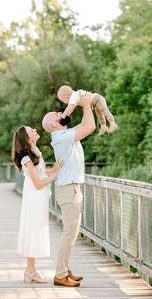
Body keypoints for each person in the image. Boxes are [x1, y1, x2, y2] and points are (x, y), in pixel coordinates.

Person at [42, 93, 95, 287]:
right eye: (56, 114)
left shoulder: (64, 134)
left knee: (71, 232)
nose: (60, 112)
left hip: (71, 187)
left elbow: (86, 125)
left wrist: (85, 105)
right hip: (69, 188)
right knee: (70, 233)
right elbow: (90, 127)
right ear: (56, 124)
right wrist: (87, 104)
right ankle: (60, 274)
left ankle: (65, 269)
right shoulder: (61, 137)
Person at [12, 125, 63, 283]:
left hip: (38, 197)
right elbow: (38, 183)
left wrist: (52, 170)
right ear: (27, 138)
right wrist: (53, 176)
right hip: (34, 197)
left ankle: (31, 270)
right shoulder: (26, 158)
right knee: (34, 230)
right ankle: (31, 271)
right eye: (31, 131)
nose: (35, 130)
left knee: (36, 229)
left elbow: (40, 172)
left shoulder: (35, 151)